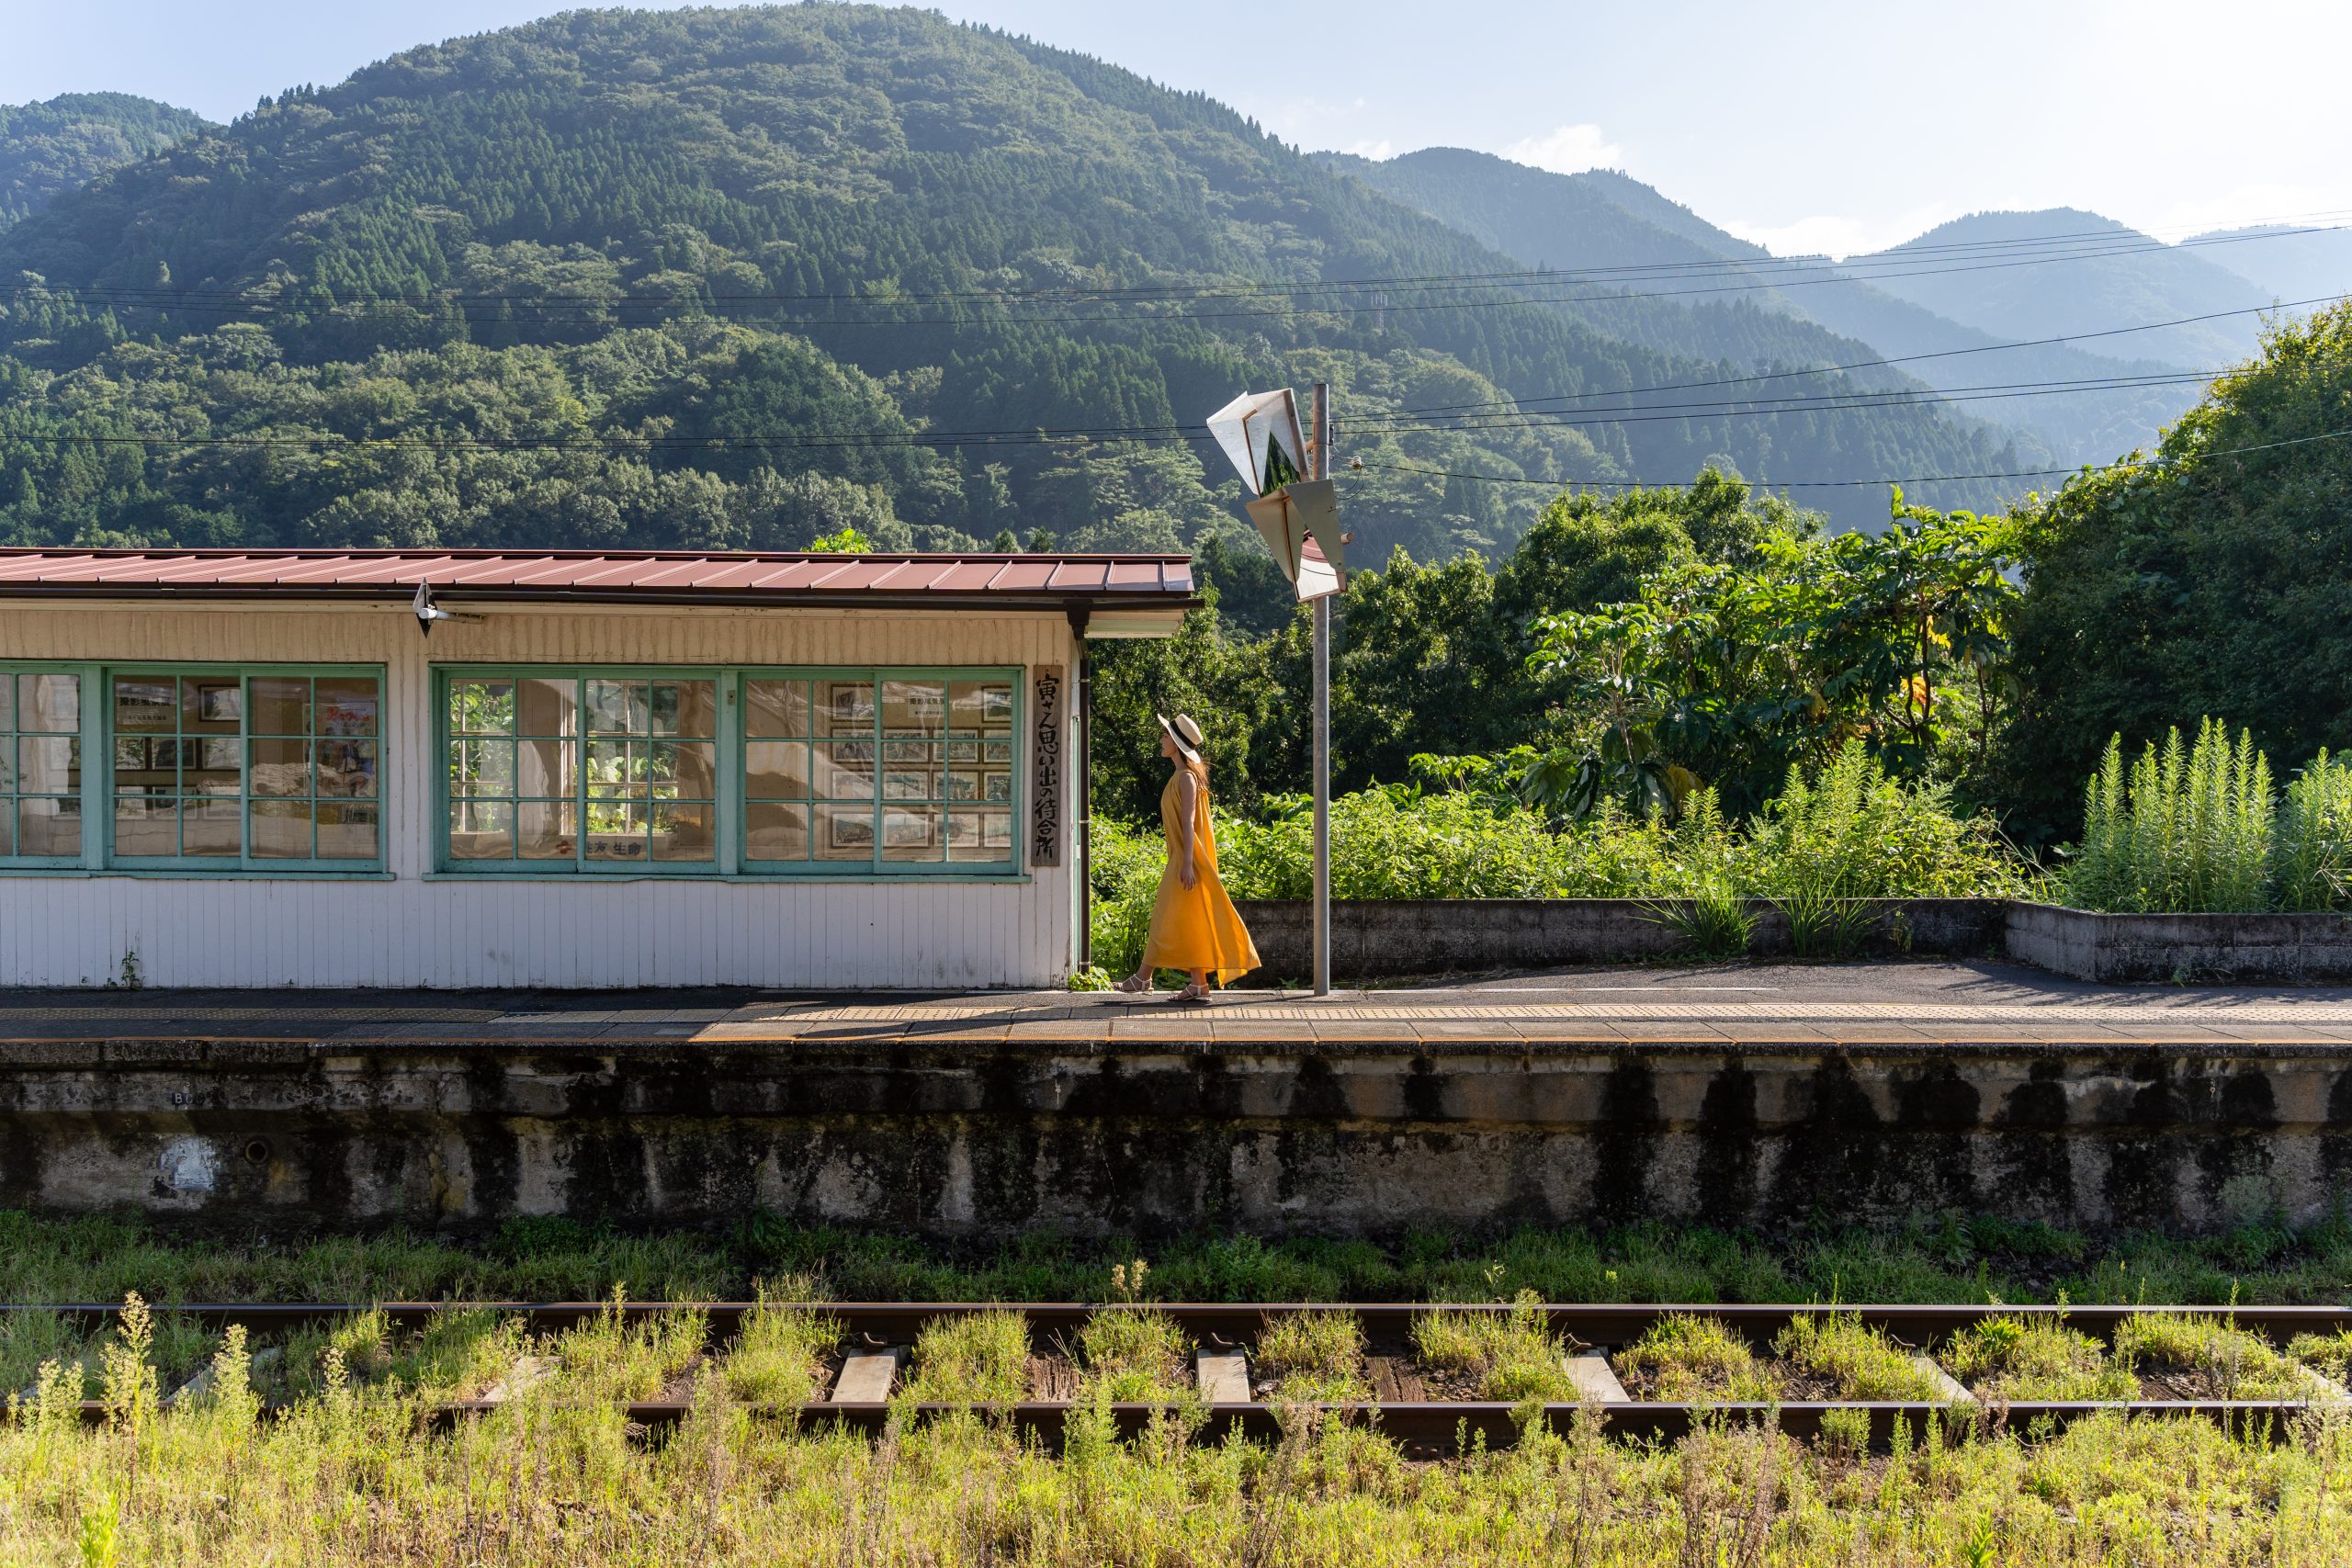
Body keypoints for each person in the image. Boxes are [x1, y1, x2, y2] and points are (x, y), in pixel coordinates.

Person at [1116, 713, 1261, 1002]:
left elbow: (1188, 823)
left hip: (1186, 861)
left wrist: (1185, 865)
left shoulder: (1186, 779)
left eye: (1166, 735)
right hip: (1182, 859)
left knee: (1162, 918)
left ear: (1177, 744)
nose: (1161, 739)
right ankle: (1197, 984)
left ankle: (1143, 978)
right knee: (1190, 921)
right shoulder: (1181, 776)